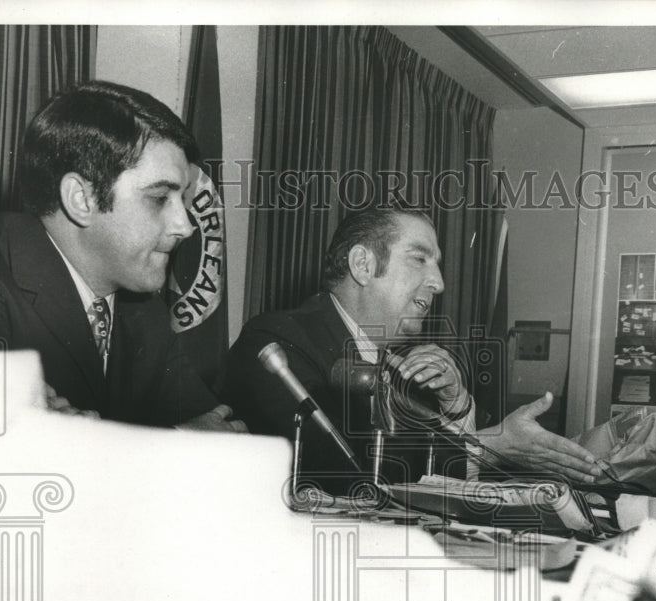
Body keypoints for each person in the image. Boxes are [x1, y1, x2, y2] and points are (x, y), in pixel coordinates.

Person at [0, 80, 245, 431]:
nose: (186, 227)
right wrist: (178, 442)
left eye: (184, 201)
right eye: (160, 198)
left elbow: (222, 429)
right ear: (81, 200)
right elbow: (3, 456)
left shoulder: (144, 310)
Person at [223, 206, 601, 487]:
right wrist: (491, 446)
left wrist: (458, 406)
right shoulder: (277, 343)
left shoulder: (402, 364)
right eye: (419, 259)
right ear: (363, 265)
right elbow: (342, 470)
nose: (438, 283)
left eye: (436, 265)